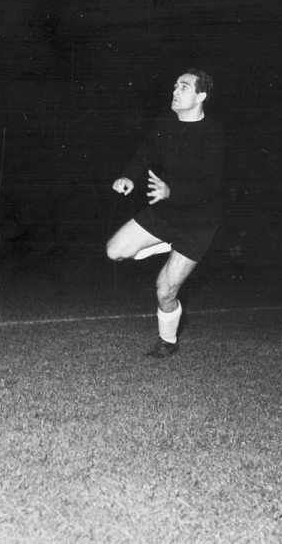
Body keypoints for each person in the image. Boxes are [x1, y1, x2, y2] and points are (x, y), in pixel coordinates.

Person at [106, 69, 224, 358]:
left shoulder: (214, 135)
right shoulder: (165, 122)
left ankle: (167, 343)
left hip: (198, 223)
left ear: (201, 96)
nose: (175, 91)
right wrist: (129, 177)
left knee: (165, 290)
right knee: (113, 251)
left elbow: (210, 187)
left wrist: (173, 192)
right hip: (167, 213)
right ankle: (165, 244)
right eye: (175, 85)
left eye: (184, 87)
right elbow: (146, 153)